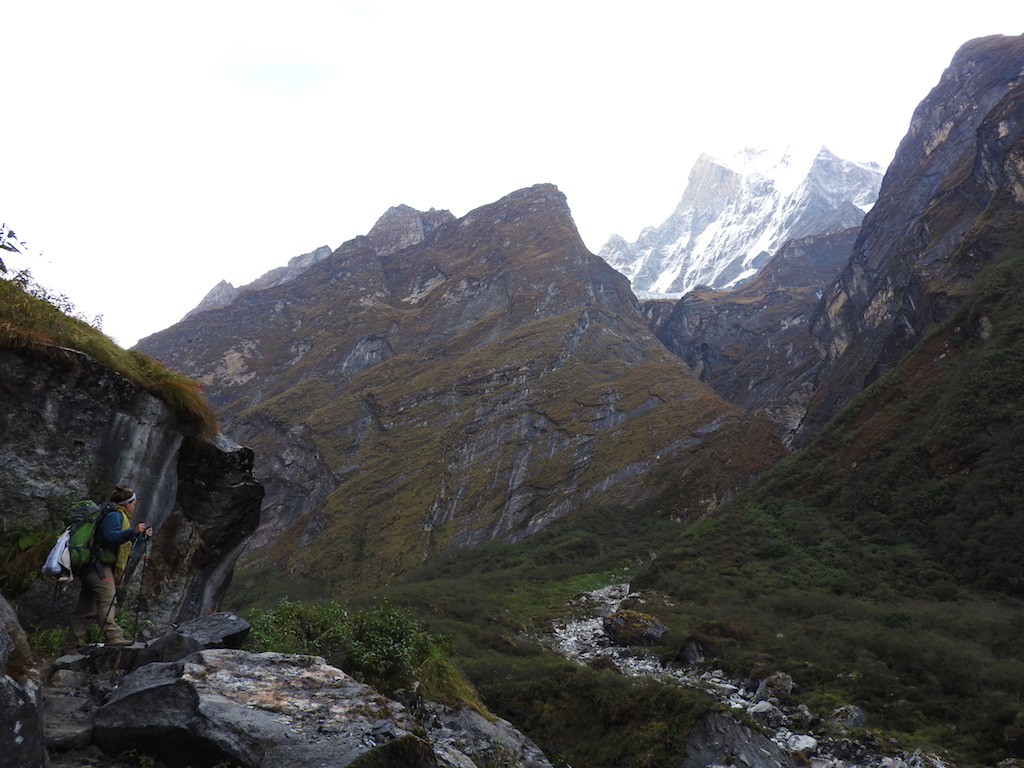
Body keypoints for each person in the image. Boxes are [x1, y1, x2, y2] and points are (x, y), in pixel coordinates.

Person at [65, 484, 152, 648]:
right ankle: (113, 636)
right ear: (127, 504)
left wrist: (141, 537)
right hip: (97, 567)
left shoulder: (118, 516)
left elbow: (122, 541)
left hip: (93, 567)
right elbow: (110, 537)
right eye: (134, 504)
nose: (134, 507)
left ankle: (70, 648)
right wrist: (132, 532)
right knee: (108, 599)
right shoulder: (114, 516)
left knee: (86, 610)